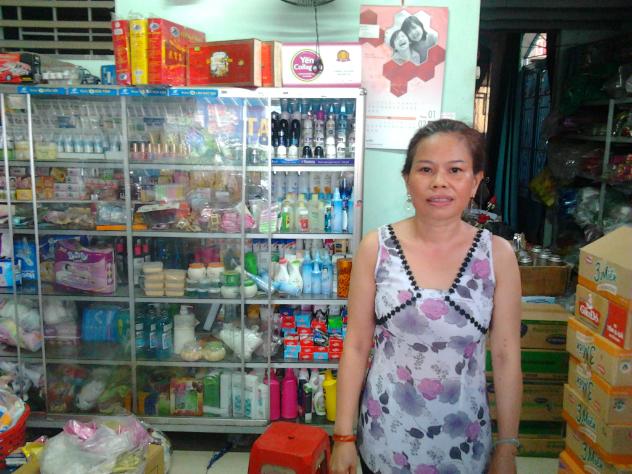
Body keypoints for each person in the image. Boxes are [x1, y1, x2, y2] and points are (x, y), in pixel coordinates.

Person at [330, 119, 523, 474]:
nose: (439, 182)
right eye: (426, 169)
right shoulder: (376, 247)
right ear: (407, 179)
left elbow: (506, 354)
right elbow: (356, 344)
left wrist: (508, 446)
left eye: (455, 170)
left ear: (475, 181)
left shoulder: (498, 255)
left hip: (465, 445)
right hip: (385, 440)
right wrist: (343, 437)